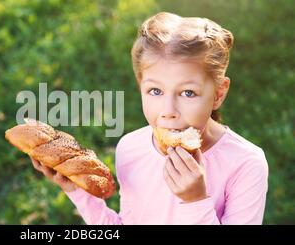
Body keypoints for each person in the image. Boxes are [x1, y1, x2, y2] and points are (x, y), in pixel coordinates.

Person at [30, 12, 268, 224]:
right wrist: (77, 190)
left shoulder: (246, 164)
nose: (168, 110)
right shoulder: (131, 148)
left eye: (188, 93)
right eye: (155, 91)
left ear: (218, 94)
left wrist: (195, 200)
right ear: (140, 86)